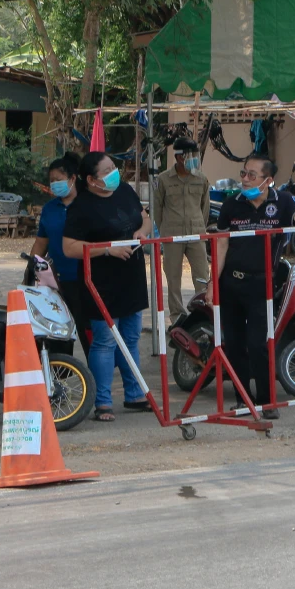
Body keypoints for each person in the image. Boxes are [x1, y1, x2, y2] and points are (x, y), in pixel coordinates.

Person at [217, 153, 295, 420]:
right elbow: (222, 245)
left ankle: (266, 401)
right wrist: (214, 283)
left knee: (259, 343)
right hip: (231, 284)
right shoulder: (231, 205)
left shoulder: (282, 201)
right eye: (243, 173)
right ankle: (242, 400)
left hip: (263, 284)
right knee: (234, 345)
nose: (245, 179)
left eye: (252, 175)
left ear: (268, 180)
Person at [62, 152, 152, 422]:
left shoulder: (124, 190)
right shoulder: (81, 207)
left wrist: (142, 231)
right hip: (101, 281)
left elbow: (144, 217)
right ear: (90, 180)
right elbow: (70, 247)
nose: (114, 172)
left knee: (132, 338)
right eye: (107, 170)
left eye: (114, 167)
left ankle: (135, 394)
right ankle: (102, 402)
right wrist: (107, 250)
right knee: (104, 342)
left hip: (132, 278)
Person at [29, 153, 89, 357]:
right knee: (58, 335)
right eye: (51, 181)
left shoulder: (86, 205)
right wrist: (31, 269)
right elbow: (40, 243)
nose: (54, 184)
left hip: (85, 282)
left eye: (58, 180)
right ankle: (59, 379)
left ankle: (98, 380)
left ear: (72, 179)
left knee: (88, 333)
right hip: (55, 284)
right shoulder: (49, 209)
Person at [154, 137, 210, 324]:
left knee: (202, 275)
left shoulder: (201, 178)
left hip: (196, 233)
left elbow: (205, 208)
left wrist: (199, 226)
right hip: (172, 234)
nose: (195, 159)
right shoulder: (163, 179)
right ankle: (177, 316)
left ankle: (203, 312)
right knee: (173, 277)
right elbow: (157, 209)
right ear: (179, 157)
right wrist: (166, 230)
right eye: (191, 155)